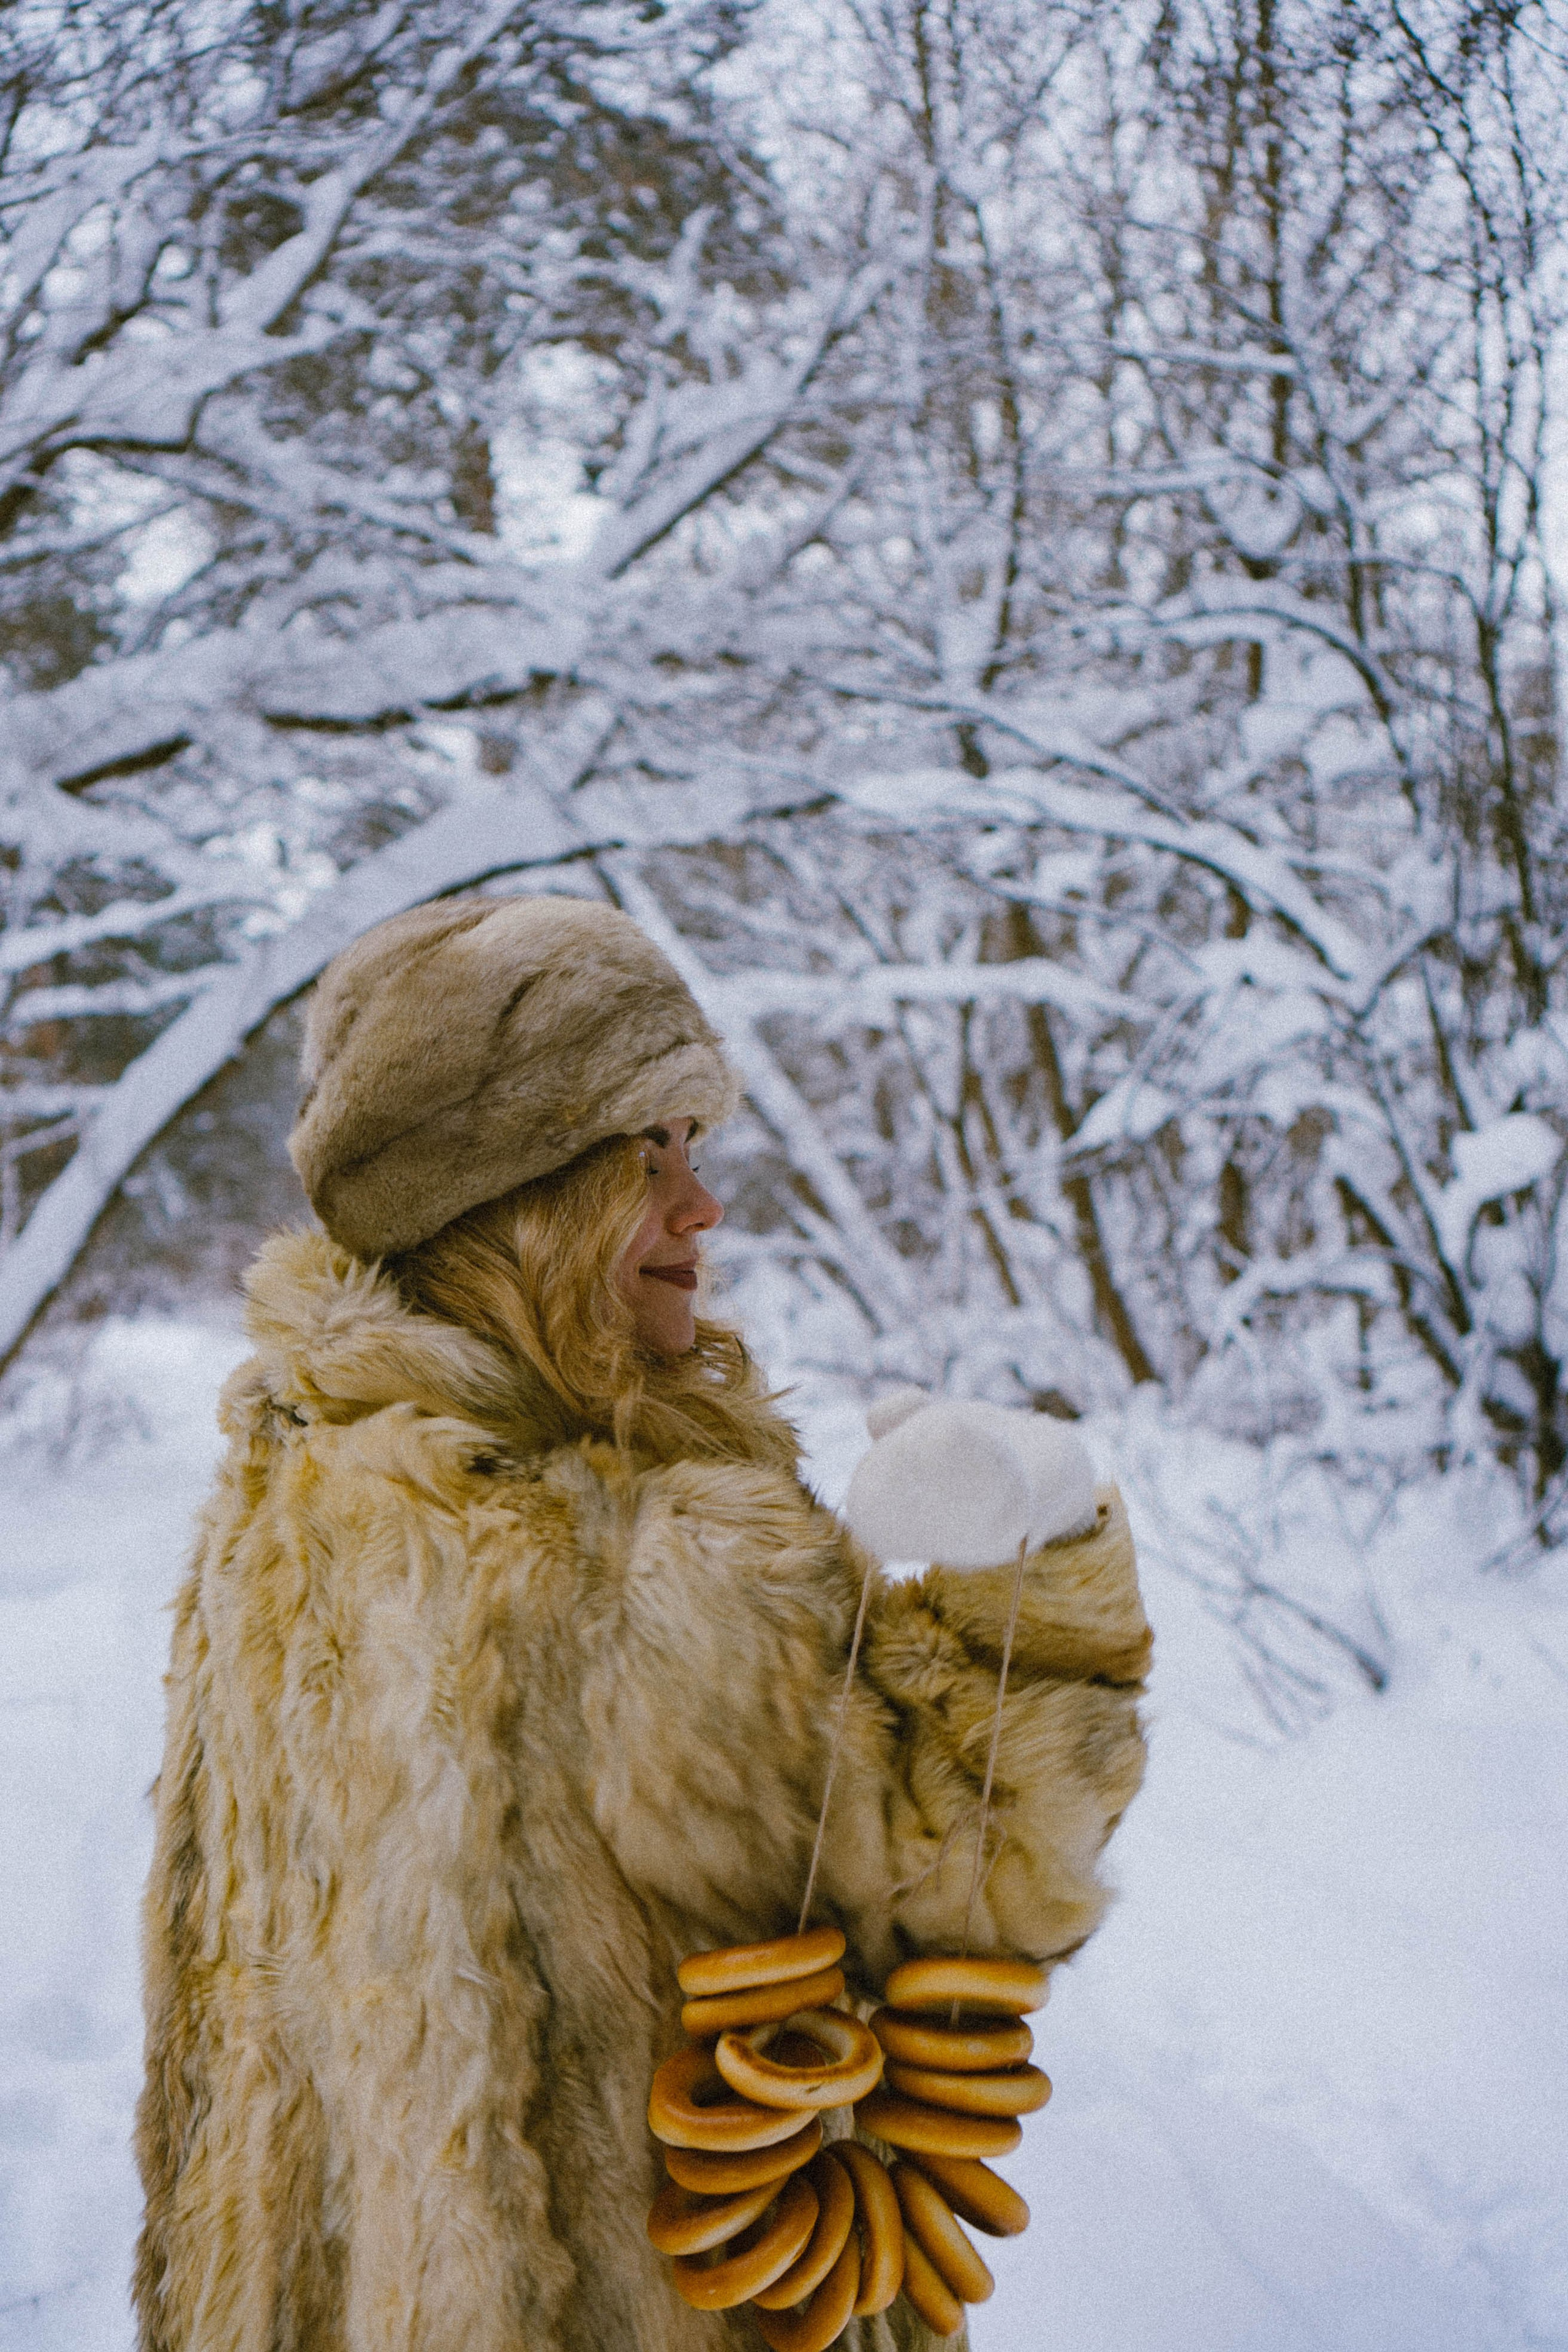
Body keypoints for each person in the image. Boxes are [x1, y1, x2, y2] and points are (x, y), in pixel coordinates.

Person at [132, 893, 1151, 2352]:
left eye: (695, 1145)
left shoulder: (281, 1489)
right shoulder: (662, 1563)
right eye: (643, 1156)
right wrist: (1034, 1581)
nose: (700, 1206)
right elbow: (982, 1896)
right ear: (505, 1196)